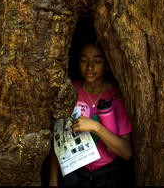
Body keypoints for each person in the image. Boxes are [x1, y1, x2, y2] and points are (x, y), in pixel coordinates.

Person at [49, 40, 133, 187]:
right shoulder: (70, 91)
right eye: (84, 60)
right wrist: (53, 180)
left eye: (97, 61)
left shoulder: (115, 97)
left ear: (107, 64)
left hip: (108, 174)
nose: (90, 67)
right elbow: (58, 140)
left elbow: (126, 152)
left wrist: (96, 127)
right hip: (75, 172)